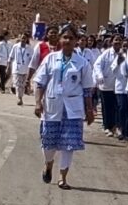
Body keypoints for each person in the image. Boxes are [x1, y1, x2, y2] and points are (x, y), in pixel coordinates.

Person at [34, 27, 89, 188]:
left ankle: (62, 177)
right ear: (60, 39)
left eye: (71, 38)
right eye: (65, 37)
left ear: (76, 40)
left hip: (72, 108)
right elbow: (40, 83)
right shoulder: (51, 59)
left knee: (68, 144)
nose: (68, 41)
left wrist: (89, 110)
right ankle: (48, 163)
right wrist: (38, 102)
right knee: (48, 141)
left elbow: (87, 89)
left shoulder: (82, 63)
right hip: (52, 105)